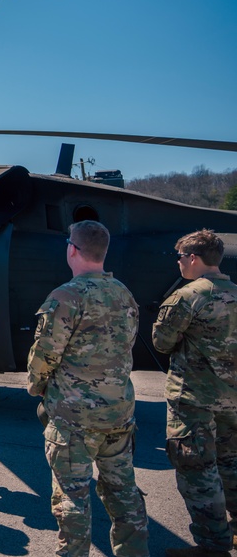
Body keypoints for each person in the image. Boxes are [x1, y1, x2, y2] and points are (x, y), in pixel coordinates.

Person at [27, 221, 148, 557]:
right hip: (118, 414)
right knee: (124, 493)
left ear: (72, 249)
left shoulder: (66, 296)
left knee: (72, 498)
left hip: (74, 419)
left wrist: (36, 387)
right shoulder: (123, 293)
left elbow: (45, 355)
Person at [152, 229, 237, 557]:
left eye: (181, 257)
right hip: (232, 399)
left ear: (193, 259)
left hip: (194, 400)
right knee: (231, 464)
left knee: (196, 470)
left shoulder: (188, 296)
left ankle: (213, 546)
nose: (179, 263)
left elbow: (162, 342)